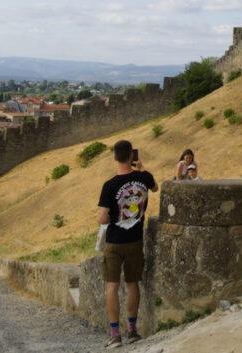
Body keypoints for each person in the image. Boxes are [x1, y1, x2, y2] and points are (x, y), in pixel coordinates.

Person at [98, 139, 157, 348]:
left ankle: (115, 335)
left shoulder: (109, 185)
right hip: (135, 239)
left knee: (112, 286)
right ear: (131, 156)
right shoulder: (144, 178)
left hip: (114, 240)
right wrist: (140, 169)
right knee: (132, 284)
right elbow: (155, 187)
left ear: (115, 157)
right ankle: (132, 331)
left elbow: (103, 218)